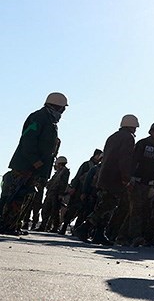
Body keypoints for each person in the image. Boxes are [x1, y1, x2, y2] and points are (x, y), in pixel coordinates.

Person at [1, 92, 67, 236]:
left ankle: (13, 224)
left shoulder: (50, 121)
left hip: (34, 168)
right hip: (25, 166)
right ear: (56, 106)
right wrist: (35, 160)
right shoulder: (38, 117)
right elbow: (28, 140)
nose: (62, 112)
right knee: (14, 196)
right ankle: (6, 224)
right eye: (62, 109)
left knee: (25, 197)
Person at [74, 114, 139, 245]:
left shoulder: (113, 136)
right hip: (115, 178)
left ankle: (99, 233)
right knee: (107, 205)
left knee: (105, 205)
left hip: (105, 176)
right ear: (133, 127)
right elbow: (124, 159)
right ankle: (84, 228)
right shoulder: (128, 138)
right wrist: (126, 177)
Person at [116, 121, 154, 247]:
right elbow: (133, 161)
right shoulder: (142, 144)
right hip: (137, 181)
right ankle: (135, 237)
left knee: (143, 211)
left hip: (151, 185)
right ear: (151, 132)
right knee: (136, 210)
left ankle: (122, 236)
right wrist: (130, 178)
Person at [59, 149, 103, 235]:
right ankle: (64, 227)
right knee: (72, 209)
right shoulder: (87, 165)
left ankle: (77, 229)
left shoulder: (98, 167)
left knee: (83, 211)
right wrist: (74, 187)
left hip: (89, 192)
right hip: (79, 190)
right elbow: (78, 176)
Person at [37, 156, 70, 233]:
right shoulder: (58, 172)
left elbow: (63, 184)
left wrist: (61, 194)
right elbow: (52, 182)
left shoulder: (64, 172)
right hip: (51, 193)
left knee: (55, 211)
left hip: (56, 194)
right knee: (45, 209)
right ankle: (43, 226)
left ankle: (55, 227)